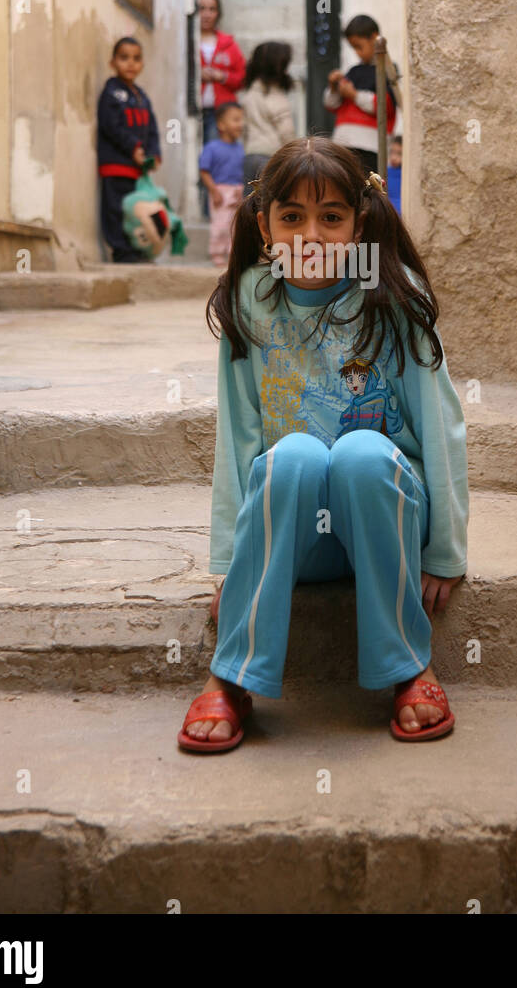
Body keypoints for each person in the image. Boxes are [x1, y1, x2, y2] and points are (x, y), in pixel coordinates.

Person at [177, 136, 469, 754]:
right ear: (264, 225)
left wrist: (444, 550)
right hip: (295, 535)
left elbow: (440, 426)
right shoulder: (251, 301)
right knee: (295, 454)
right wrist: (230, 562)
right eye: (292, 218)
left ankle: (408, 666)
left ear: (360, 225)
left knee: (362, 451)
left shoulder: (395, 296)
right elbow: (239, 440)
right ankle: (232, 678)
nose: (311, 235)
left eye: (332, 217)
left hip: (384, 525)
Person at [97, 37, 161, 263]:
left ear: (142, 64)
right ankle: (120, 250)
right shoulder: (112, 92)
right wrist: (133, 147)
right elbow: (111, 125)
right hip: (116, 165)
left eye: (136, 59)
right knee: (115, 208)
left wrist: (153, 153)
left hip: (137, 170)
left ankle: (135, 248)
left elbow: (152, 128)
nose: (130, 64)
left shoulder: (142, 97)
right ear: (112, 62)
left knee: (133, 211)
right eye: (124, 58)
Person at [323, 13, 397, 178]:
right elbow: (331, 104)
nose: (357, 53)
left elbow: (384, 106)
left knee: (368, 190)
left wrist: (354, 95)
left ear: (375, 38)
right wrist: (334, 87)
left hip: (370, 146)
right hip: (343, 143)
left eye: (359, 46)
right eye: (353, 48)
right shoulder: (354, 71)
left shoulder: (387, 71)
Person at [238, 41, 296, 197]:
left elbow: (244, 130)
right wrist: (294, 156)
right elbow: (286, 132)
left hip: (250, 156)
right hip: (271, 157)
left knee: (250, 204)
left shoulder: (249, 95)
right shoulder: (275, 96)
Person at [199, 102, 245, 268]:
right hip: (220, 190)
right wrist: (214, 191)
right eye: (236, 119)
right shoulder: (212, 148)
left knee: (235, 226)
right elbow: (204, 171)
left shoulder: (241, 149)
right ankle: (217, 253)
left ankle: (233, 255)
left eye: (242, 120)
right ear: (221, 124)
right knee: (220, 225)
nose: (240, 124)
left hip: (237, 191)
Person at [198, 0, 246, 146]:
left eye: (212, 9)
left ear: (218, 13)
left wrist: (222, 76)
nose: (206, 14)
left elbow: (242, 79)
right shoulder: (186, 40)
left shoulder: (229, 44)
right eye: (202, 8)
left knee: (217, 157)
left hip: (220, 113)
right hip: (192, 110)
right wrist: (196, 75)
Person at [387, 134, 402, 214]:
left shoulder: (407, 175)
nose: (393, 157)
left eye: (399, 154)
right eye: (392, 152)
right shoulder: (386, 172)